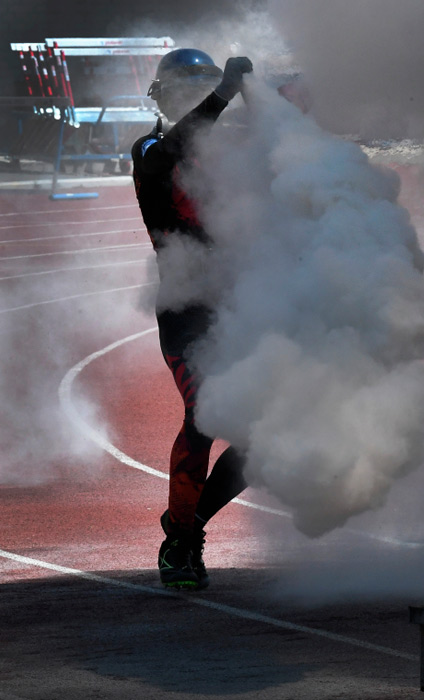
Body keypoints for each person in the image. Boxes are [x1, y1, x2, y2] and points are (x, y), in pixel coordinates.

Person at [131, 48, 253, 590]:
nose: (194, 100)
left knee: (270, 437)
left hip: (245, 309)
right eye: (187, 90)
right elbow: (171, 151)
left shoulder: (233, 155)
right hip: (185, 313)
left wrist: (266, 99)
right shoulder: (151, 147)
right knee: (204, 415)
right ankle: (181, 540)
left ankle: (190, 522)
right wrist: (225, 93)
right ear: (162, 98)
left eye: (200, 90)